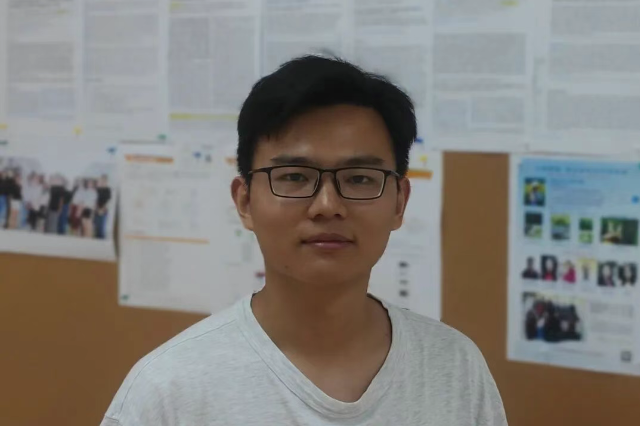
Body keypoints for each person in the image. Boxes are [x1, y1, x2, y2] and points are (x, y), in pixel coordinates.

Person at [101, 56, 508, 425]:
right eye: (295, 177)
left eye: (359, 179)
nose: (327, 206)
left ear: (399, 202)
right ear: (245, 201)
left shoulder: (454, 368)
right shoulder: (168, 392)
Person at [94, 174, 111, 239]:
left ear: (106, 181)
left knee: (101, 229)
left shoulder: (108, 190)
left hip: (104, 211)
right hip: (96, 210)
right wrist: (97, 209)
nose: (102, 181)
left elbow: (108, 201)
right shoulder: (97, 189)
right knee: (96, 228)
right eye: (102, 180)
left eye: (104, 180)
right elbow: (95, 199)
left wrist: (101, 209)